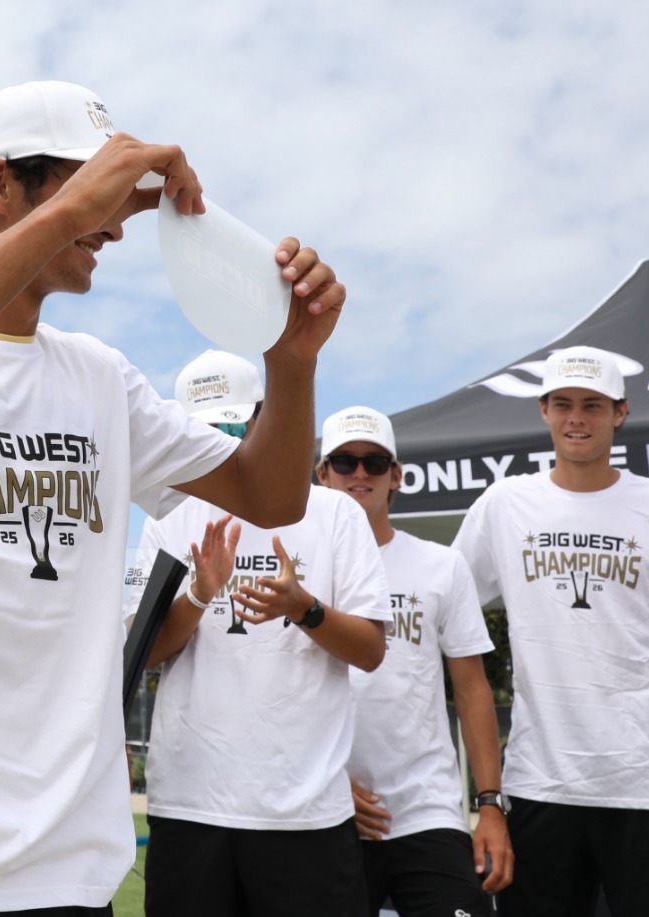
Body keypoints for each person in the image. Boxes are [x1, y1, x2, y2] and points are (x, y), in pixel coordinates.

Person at [0, 80, 346, 915]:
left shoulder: (100, 377)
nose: (114, 223)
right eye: (95, 188)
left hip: (64, 872)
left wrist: (292, 361)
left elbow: (271, 492)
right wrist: (59, 219)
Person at [450, 346, 649, 917]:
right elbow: (445, 611)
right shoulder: (505, 504)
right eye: (563, 404)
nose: (576, 418)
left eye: (593, 405)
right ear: (543, 410)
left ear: (621, 412)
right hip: (542, 779)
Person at [133, 364, 389, 917]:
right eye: (203, 431)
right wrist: (199, 596)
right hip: (190, 805)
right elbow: (143, 654)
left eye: (231, 428)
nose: (218, 445)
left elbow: (371, 650)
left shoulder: (334, 512)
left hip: (304, 812)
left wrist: (304, 609)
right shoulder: (168, 516)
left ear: (262, 418)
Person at [321, 405, 512, 917]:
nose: (359, 473)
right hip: (327, 808)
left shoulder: (441, 564)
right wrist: (326, 779)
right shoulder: (299, 569)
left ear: (396, 477)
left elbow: (472, 690)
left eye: (374, 462)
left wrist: (490, 805)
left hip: (427, 812)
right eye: (343, 461)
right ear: (322, 475)